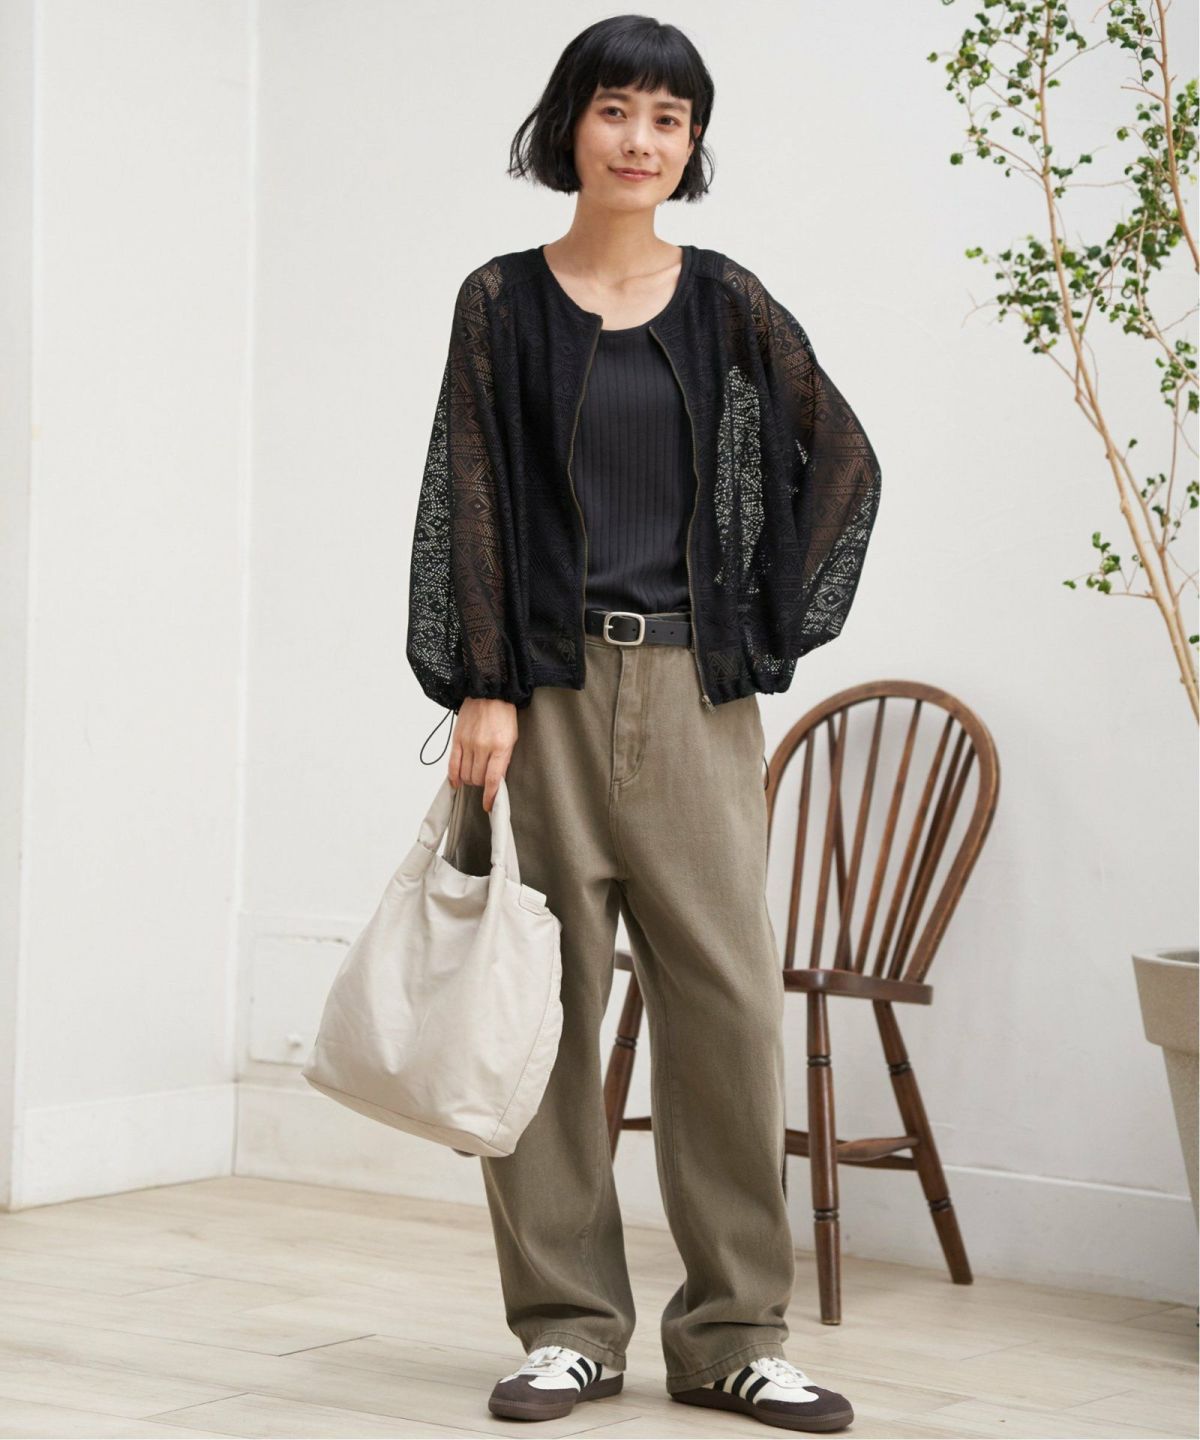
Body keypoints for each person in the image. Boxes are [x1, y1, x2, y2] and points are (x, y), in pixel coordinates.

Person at [406, 15, 881, 1434]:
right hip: (539, 701)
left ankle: (733, 1335)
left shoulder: (728, 303)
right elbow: (467, 491)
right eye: (617, 109)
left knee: (727, 1012)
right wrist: (483, 679)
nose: (641, 140)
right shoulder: (501, 302)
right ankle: (567, 1327)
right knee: (542, 1009)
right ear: (571, 124)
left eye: (670, 118)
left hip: (693, 699)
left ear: (692, 144)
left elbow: (843, 463)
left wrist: (756, 621)